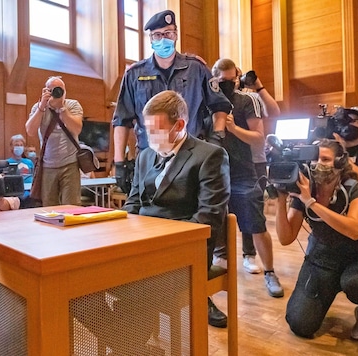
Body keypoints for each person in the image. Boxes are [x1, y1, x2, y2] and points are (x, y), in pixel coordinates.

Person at [73, 91, 230, 353]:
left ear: (179, 125)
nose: (148, 138)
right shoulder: (146, 156)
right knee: (78, 286)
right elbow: (133, 204)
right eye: (145, 130)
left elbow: (208, 220)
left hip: (184, 254)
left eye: (155, 130)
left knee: (136, 288)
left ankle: (129, 346)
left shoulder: (210, 156)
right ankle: (133, 348)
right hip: (140, 248)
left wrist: (157, 246)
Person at [274, 139, 358, 341]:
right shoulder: (305, 191)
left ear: (339, 162)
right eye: (314, 158)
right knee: (300, 323)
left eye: (325, 159)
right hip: (323, 258)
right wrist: (281, 199)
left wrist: (311, 203)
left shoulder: (356, 190)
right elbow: (286, 238)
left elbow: (355, 230)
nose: (317, 163)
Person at [112, 9, 232, 195]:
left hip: (190, 157)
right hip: (149, 157)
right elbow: (122, 119)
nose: (163, 39)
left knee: (189, 212)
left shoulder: (196, 68)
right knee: (149, 213)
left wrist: (217, 136)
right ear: (151, 39)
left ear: (176, 35)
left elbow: (219, 105)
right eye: (157, 35)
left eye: (168, 33)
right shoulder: (135, 74)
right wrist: (119, 162)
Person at [210, 58, 284, 298]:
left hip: (243, 171)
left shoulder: (246, 100)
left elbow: (258, 138)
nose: (226, 85)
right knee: (214, 223)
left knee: (255, 223)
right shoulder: (208, 102)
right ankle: (217, 266)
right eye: (221, 81)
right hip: (215, 172)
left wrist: (233, 129)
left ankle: (270, 272)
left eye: (230, 80)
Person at [238, 67, 281, 275]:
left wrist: (259, 87)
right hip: (233, 159)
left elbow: (275, 112)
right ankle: (223, 253)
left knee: (252, 209)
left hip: (256, 160)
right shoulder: (225, 98)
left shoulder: (253, 98)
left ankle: (249, 254)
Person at [25, 76, 84, 206]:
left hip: (70, 164)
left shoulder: (72, 105)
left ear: (65, 91)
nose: (56, 93)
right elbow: (30, 131)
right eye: (52, 90)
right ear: (46, 91)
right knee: (49, 207)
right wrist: (41, 107)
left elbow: (76, 129)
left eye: (60, 89)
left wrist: (62, 108)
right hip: (48, 166)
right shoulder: (39, 107)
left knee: (72, 207)